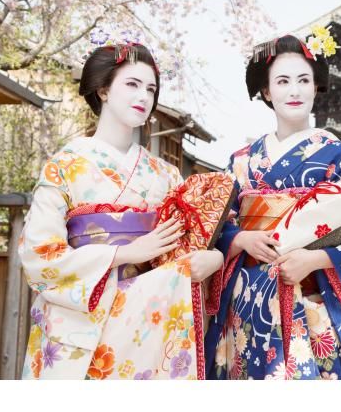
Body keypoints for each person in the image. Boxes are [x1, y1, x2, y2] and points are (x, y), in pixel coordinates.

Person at [19, 41, 225, 379]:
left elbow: (192, 243)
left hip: (146, 325)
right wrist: (124, 253)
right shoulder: (65, 165)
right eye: (132, 84)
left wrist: (213, 259)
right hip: (77, 325)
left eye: (150, 89)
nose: (143, 96)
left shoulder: (166, 174)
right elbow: (38, 254)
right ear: (103, 90)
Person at [204, 31, 341, 380]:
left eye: (303, 80)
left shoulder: (338, 157)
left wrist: (315, 259)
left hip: (310, 308)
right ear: (266, 91)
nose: (294, 90)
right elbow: (212, 227)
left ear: (316, 87)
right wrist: (241, 240)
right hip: (247, 309)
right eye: (283, 81)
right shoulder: (242, 161)